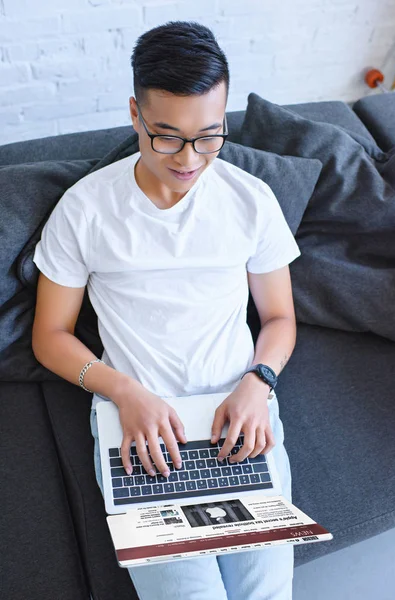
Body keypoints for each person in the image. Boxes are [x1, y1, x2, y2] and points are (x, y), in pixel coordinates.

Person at [32, 20, 300, 600]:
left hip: (240, 418)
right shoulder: (85, 210)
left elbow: (279, 319)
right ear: (135, 114)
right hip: (141, 433)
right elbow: (50, 336)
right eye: (168, 136)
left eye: (209, 135)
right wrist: (126, 394)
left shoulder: (251, 200)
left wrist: (260, 382)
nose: (190, 158)